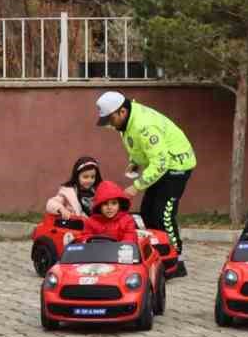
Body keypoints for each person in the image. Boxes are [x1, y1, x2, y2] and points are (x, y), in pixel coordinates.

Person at [95, 91, 195, 276]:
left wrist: (136, 186)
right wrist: (135, 161)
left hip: (176, 165)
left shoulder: (143, 125)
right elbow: (138, 146)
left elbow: (162, 162)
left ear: (122, 112)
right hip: (159, 165)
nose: (110, 123)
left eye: (110, 119)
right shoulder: (126, 123)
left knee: (163, 213)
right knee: (148, 212)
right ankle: (157, 256)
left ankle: (175, 261)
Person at [81, 179, 141, 244]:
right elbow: (86, 237)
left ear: (120, 205)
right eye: (105, 204)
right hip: (98, 251)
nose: (109, 207)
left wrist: (121, 247)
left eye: (114, 203)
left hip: (121, 252)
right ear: (99, 206)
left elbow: (130, 238)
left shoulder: (127, 220)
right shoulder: (90, 222)